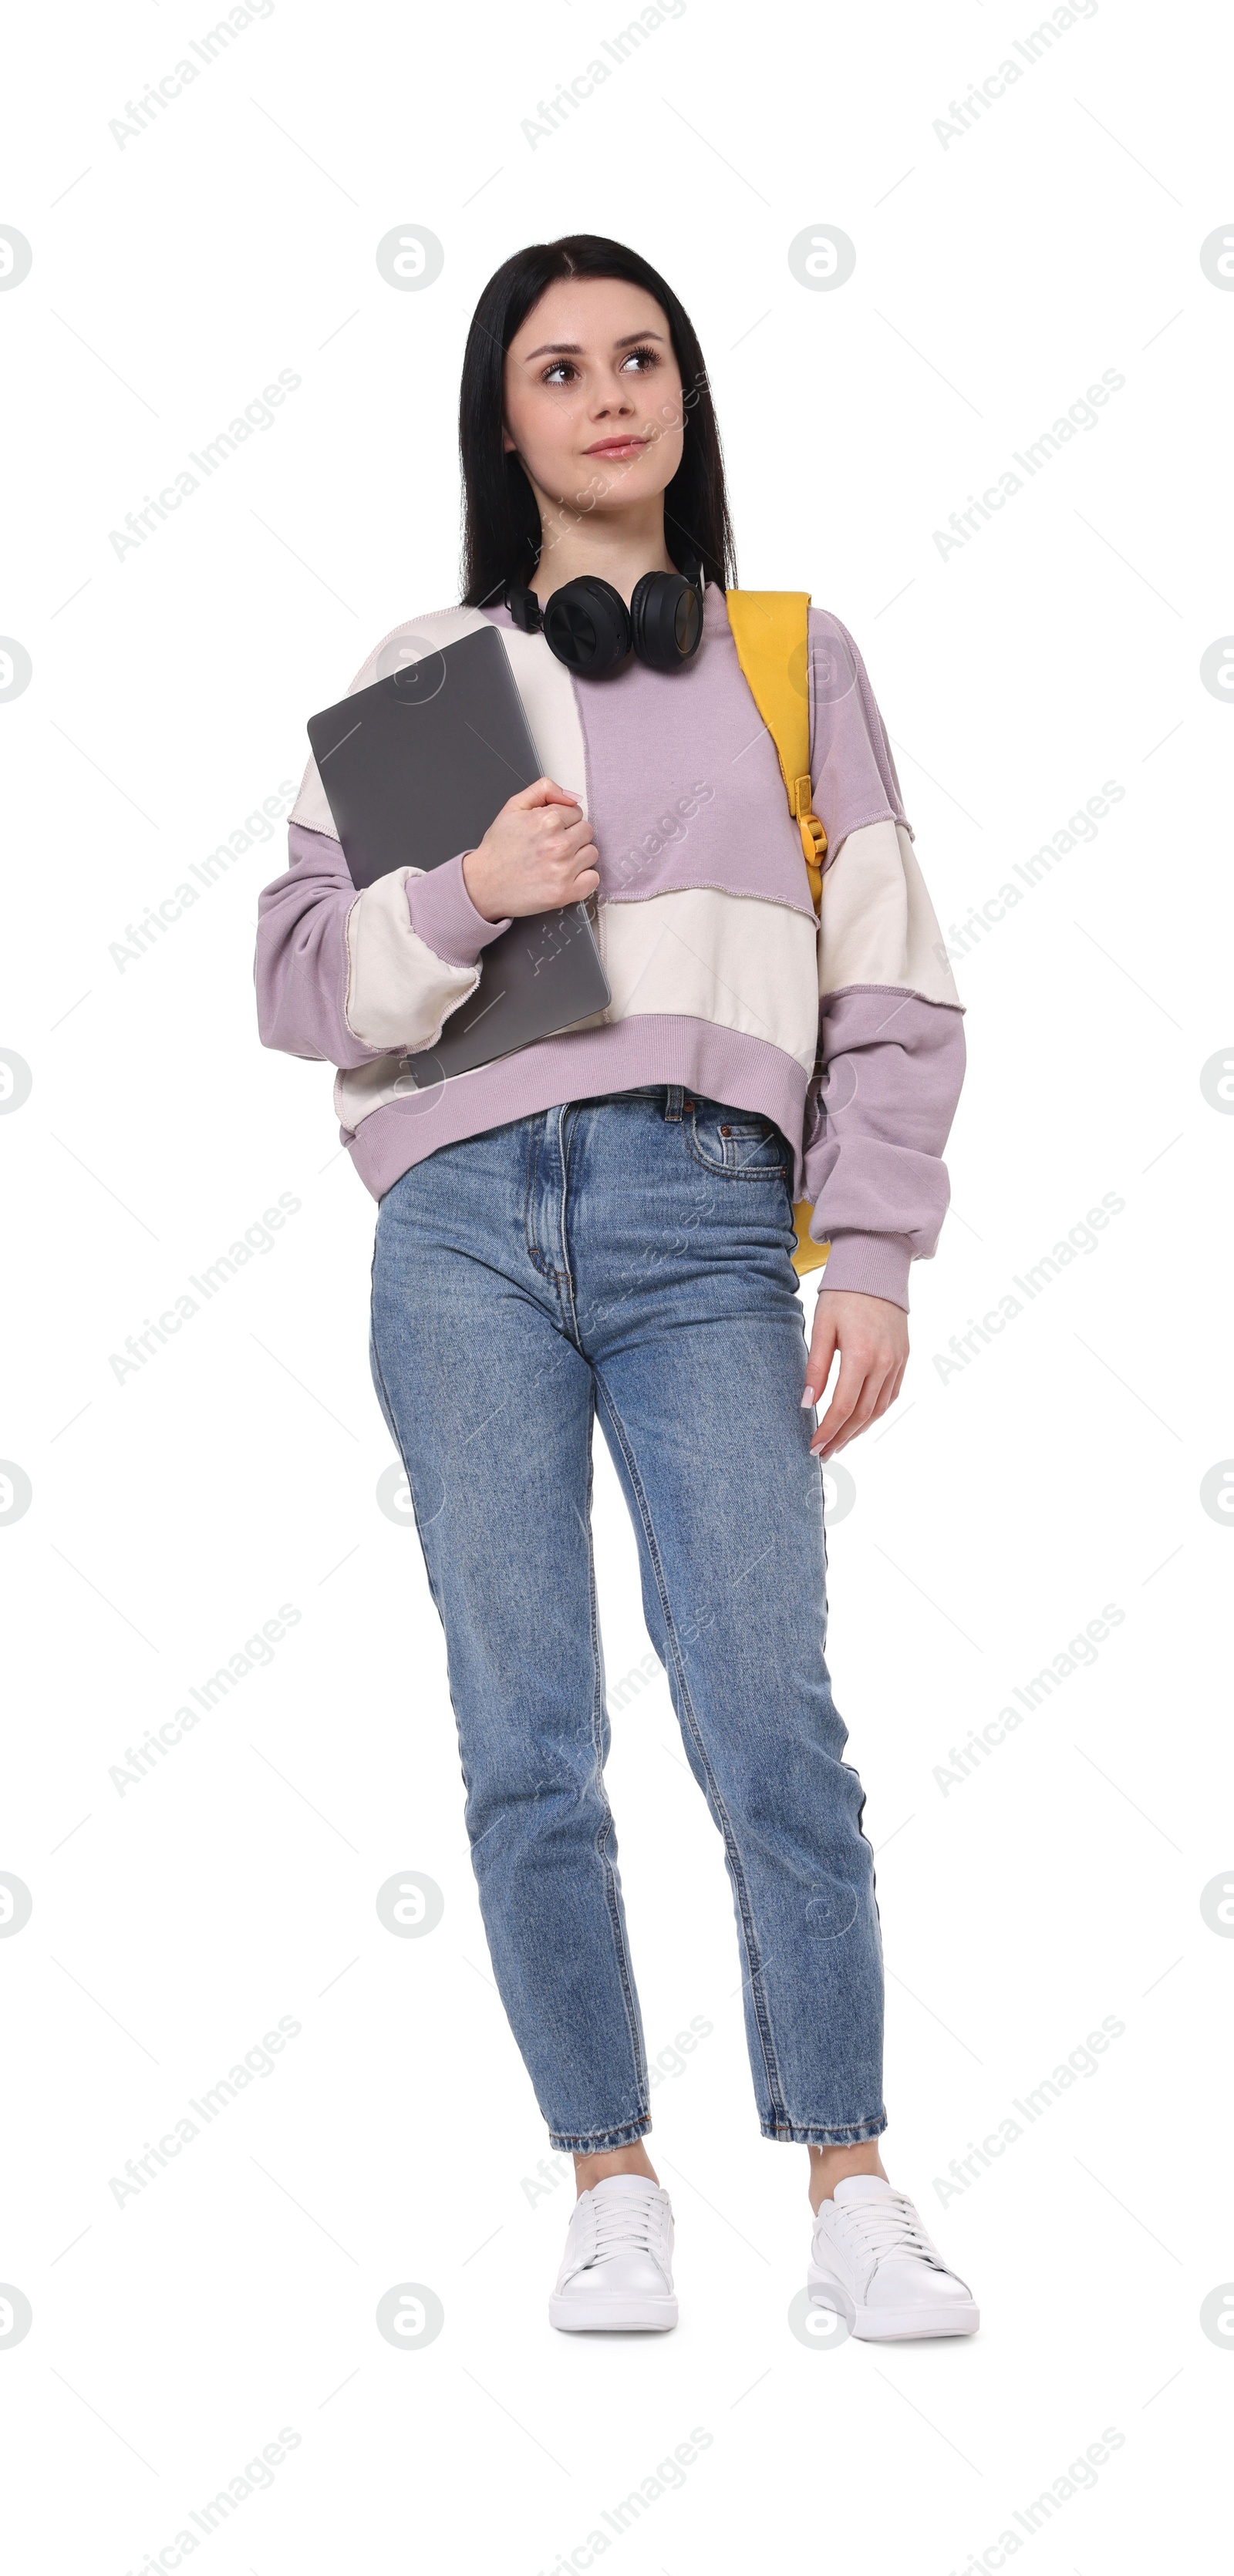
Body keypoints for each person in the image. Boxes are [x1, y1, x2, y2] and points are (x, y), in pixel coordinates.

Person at [255, 234, 976, 2343]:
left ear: (682, 395)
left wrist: (882, 1246)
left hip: (698, 1217)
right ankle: (609, 2174)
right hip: (460, 1227)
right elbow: (294, 977)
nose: (608, 395)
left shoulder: (787, 654)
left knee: (771, 1709)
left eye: (641, 357)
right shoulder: (419, 677)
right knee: (528, 1731)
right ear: (508, 417)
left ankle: (848, 2171)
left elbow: (894, 975)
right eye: (560, 368)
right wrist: (472, 891)